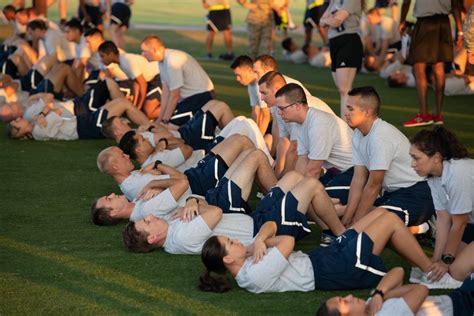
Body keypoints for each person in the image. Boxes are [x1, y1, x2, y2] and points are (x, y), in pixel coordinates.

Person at [198, 207, 447, 293]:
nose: (236, 241)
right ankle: (433, 274)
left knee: (379, 214)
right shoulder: (252, 275)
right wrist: (261, 242)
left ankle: (420, 269)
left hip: (323, 258)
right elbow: (287, 241)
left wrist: (261, 239)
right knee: (390, 221)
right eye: (231, 242)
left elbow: (271, 226)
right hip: (333, 270)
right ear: (228, 258)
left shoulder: (250, 255)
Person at [325, 86, 434, 228]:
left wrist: (354, 224)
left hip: (416, 193)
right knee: (346, 214)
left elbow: (374, 185)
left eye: (351, 109)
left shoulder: (380, 137)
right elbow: (358, 179)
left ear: (367, 112)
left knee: (369, 223)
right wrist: (347, 220)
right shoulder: (358, 134)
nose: (346, 113)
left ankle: (425, 227)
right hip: (392, 193)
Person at [317, 242, 474, 316]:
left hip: (459, 297)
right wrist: (383, 296)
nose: (350, 297)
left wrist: (379, 294)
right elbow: (421, 290)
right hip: (464, 307)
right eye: (345, 302)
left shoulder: (371, 304)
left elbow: (398, 272)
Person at [96, 134, 254, 200]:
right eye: (122, 156)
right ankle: (270, 191)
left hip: (195, 176)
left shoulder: (133, 178)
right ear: (115, 167)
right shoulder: (134, 186)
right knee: (242, 142)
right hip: (198, 184)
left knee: (237, 139)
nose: (128, 156)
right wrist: (158, 165)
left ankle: (268, 188)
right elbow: (179, 180)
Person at [409, 127, 473, 282]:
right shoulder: (434, 176)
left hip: (466, 225)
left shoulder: (458, 174)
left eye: (416, 158)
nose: (412, 164)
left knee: (456, 271)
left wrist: (445, 262)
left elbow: (459, 223)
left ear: (436, 157)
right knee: (448, 259)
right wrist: (437, 259)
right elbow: (443, 219)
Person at [274, 83, 353, 185]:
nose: (279, 113)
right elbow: (302, 161)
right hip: (336, 173)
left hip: (354, 173)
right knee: (297, 190)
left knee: (313, 195)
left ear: (297, 106)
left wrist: (297, 193)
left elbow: (314, 170)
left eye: (282, 108)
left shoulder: (318, 123)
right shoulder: (299, 123)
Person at [400, 0, 462, 127]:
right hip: (444, 24)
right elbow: (456, 5)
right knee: (438, 66)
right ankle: (438, 114)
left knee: (418, 67)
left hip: (425, 24)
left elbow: (406, 2)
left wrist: (402, 21)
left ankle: (423, 115)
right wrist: (460, 31)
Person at [140, 35, 215, 126]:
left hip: (202, 96)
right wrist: (159, 120)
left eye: (144, 51)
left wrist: (165, 122)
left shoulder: (172, 61)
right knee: (165, 125)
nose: (142, 54)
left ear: (154, 50)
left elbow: (174, 95)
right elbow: (165, 93)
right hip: (190, 99)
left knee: (171, 127)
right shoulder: (162, 62)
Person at [7, 96, 148, 140]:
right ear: (20, 131)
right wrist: (43, 114)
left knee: (121, 100)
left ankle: (148, 126)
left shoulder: (37, 124)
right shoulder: (38, 130)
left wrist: (43, 114)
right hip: (86, 127)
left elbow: (50, 105)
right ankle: (151, 126)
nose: (20, 118)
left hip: (84, 122)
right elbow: (58, 110)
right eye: (18, 122)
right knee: (123, 103)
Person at [320, 0, 364, 117]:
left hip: (348, 42)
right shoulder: (334, 1)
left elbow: (336, 22)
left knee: (345, 89)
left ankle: (346, 126)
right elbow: (321, 21)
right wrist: (329, 20)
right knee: (343, 89)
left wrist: (329, 19)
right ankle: (352, 120)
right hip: (334, 43)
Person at [98, 40, 161, 119]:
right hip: (151, 80)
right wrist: (134, 107)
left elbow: (142, 84)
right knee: (143, 109)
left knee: (149, 112)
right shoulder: (121, 62)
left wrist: (138, 108)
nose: (101, 60)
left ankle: (173, 109)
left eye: (102, 56)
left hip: (158, 77)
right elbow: (136, 84)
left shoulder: (126, 61)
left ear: (111, 54)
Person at [230, 55, 270, 135]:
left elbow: (266, 117)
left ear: (249, 70)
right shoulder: (251, 85)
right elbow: (256, 112)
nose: (237, 79)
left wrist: (257, 139)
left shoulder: (260, 84)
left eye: (239, 75)